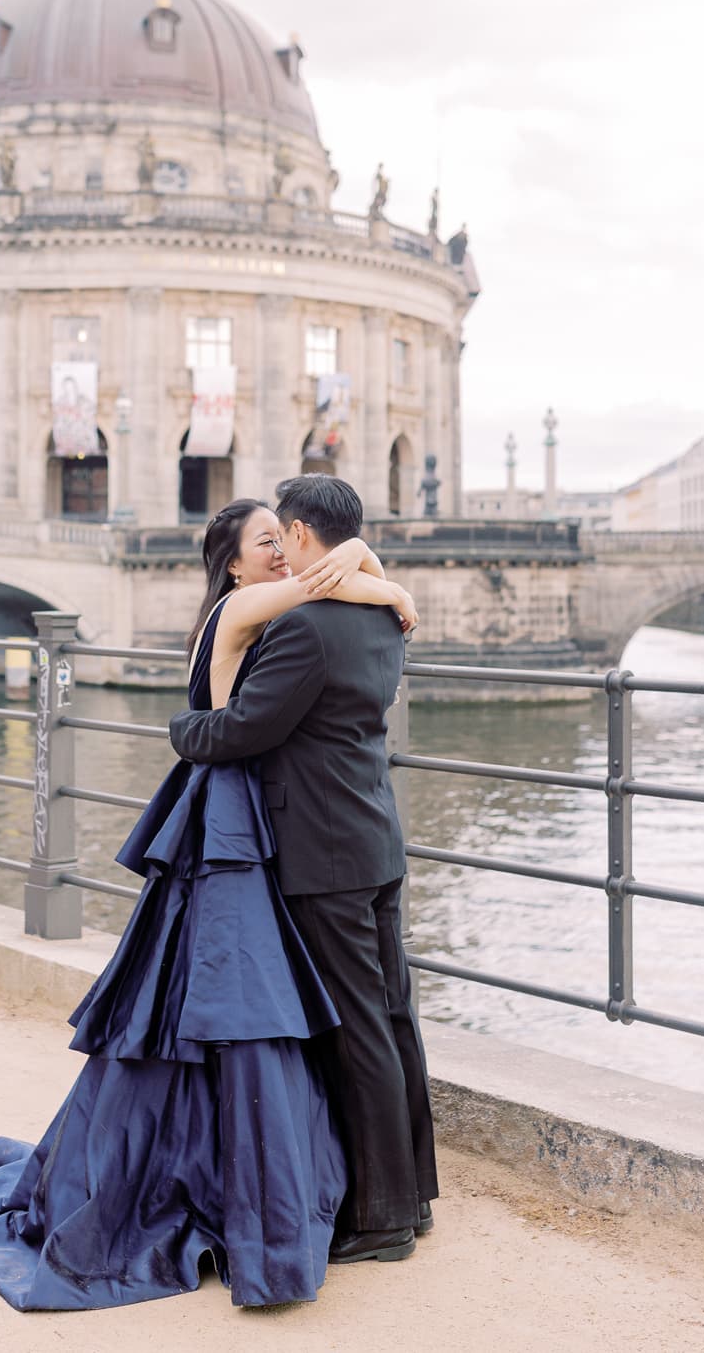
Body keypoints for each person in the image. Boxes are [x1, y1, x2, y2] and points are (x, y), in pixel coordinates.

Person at [0, 497, 417, 1310]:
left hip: (251, 821)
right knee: (242, 1003)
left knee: (231, 1003)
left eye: (284, 539)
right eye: (267, 544)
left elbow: (329, 594)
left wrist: (361, 560)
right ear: (234, 564)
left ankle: (256, 1175)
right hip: (234, 821)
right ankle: (282, 1186)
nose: (285, 556)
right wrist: (374, 572)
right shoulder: (243, 605)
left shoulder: (275, 603)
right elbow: (344, 595)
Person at [170, 474, 439, 1266]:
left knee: (356, 1029)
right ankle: (411, 1195)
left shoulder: (307, 628)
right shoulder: (384, 612)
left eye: (280, 536)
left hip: (322, 852)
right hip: (374, 835)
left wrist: (186, 729)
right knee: (392, 1017)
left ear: (295, 535)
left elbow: (246, 728)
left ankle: (382, 1216)